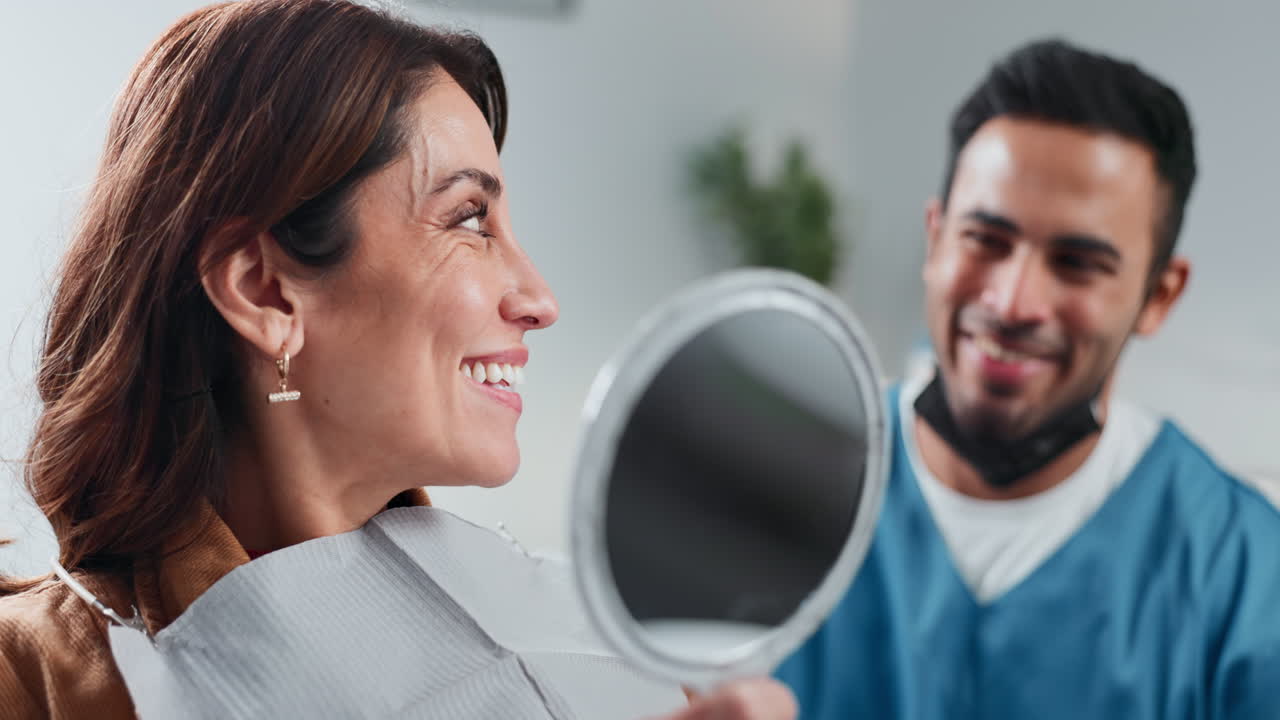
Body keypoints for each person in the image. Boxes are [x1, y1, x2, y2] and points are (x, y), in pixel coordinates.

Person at [0, 2, 796, 718]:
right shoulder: (35, 684)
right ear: (265, 294)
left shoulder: (612, 661)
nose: (540, 297)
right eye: (469, 220)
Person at [775, 39, 1280, 718]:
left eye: (1077, 261)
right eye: (986, 239)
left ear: (1159, 295)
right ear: (936, 239)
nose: (1012, 302)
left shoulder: (1245, 578)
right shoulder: (777, 492)